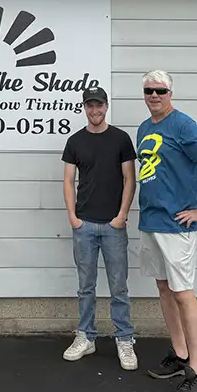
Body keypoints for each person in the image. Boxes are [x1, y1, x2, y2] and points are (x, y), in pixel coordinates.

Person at [136, 70, 197, 392]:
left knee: (183, 293)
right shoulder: (144, 128)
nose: (154, 95)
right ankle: (180, 353)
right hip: (151, 221)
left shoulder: (183, 125)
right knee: (163, 287)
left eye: (160, 90)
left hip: (176, 225)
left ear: (170, 93)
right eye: (149, 90)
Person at [60, 85, 138, 370]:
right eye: (90, 105)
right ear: (85, 108)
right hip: (84, 225)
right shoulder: (75, 141)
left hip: (114, 226)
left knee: (119, 286)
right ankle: (86, 336)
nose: (95, 110)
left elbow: (130, 179)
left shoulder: (120, 139)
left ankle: (124, 338)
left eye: (99, 105)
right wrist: (73, 217)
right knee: (85, 287)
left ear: (106, 106)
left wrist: (122, 215)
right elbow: (68, 180)